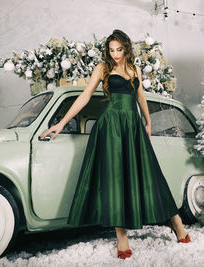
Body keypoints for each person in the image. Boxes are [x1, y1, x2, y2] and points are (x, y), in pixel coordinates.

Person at [40, 29, 190, 260]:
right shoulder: (103, 68)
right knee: (115, 180)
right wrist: (61, 123)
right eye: (111, 50)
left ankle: (176, 221)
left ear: (127, 48)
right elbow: (85, 96)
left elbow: (140, 97)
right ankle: (122, 236)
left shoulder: (135, 69)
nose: (115, 54)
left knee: (151, 175)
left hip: (133, 127)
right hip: (110, 128)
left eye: (119, 49)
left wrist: (148, 122)